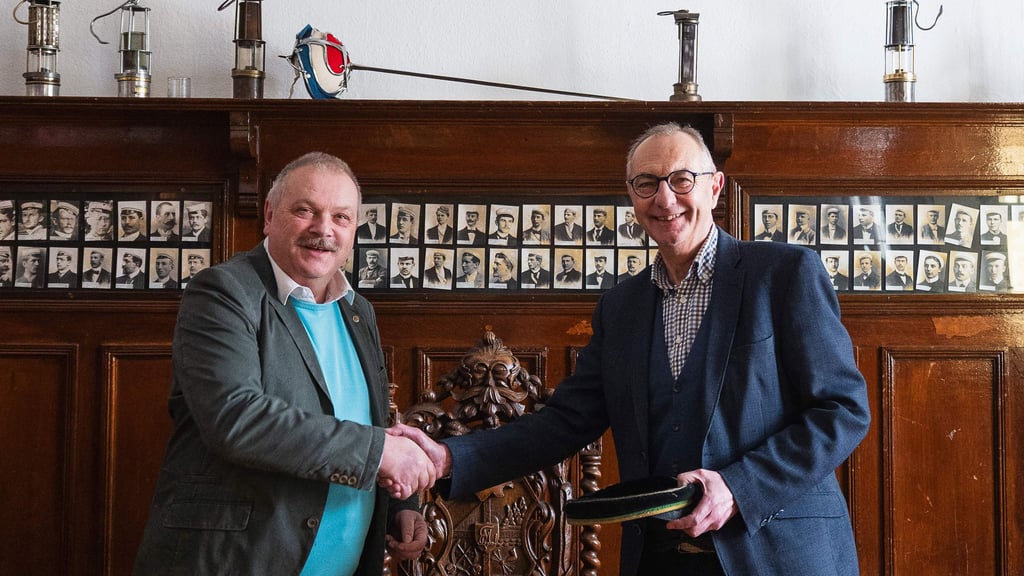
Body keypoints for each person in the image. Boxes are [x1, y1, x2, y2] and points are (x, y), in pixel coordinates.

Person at [392, 122, 870, 576]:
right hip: (661, 559)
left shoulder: (785, 275)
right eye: (647, 183)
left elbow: (843, 410)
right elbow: (565, 422)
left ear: (715, 187)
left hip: (775, 553)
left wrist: (738, 488)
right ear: (632, 197)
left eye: (682, 180)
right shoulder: (621, 307)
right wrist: (447, 459)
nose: (665, 199)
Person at [133, 152, 431, 575]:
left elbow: (369, 419)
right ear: (270, 215)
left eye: (341, 217)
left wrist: (400, 503)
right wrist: (381, 452)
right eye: (305, 210)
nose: (323, 230)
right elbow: (236, 418)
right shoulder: (222, 292)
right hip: (236, 562)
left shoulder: (358, 310)